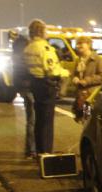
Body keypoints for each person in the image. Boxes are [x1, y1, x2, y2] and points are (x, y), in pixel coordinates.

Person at [24, 19, 69, 156]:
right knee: (47, 121)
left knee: (39, 119)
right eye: (46, 30)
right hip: (47, 85)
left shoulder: (28, 48)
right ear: (41, 31)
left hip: (35, 84)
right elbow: (52, 70)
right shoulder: (45, 48)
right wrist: (65, 73)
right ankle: (46, 151)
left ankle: (39, 150)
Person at [9, 29, 36, 158]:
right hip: (29, 87)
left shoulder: (15, 55)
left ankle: (30, 149)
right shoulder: (26, 56)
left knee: (31, 118)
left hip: (23, 87)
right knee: (33, 119)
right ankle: (31, 149)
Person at [71, 36, 102, 122]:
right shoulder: (78, 60)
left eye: (81, 43)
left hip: (91, 96)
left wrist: (85, 81)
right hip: (81, 96)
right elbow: (74, 74)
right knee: (83, 119)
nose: (78, 46)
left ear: (88, 45)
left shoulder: (98, 60)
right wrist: (74, 78)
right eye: (77, 44)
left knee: (89, 120)